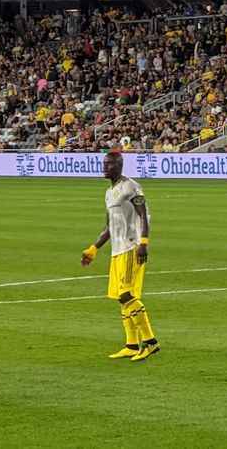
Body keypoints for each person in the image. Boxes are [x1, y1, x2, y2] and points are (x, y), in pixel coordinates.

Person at [81, 152, 160, 361]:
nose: (104, 167)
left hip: (131, 248)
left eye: (109, 164)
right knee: (120, 298)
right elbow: (108, 227)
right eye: (104, 163)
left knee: (127, 295)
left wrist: (144, 243)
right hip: (117, 251)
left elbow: (144, 215)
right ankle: (132, 345)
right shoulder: (109, 193)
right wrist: (94, 248)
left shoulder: (131, 187)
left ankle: (150, 342)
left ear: (119, 166)